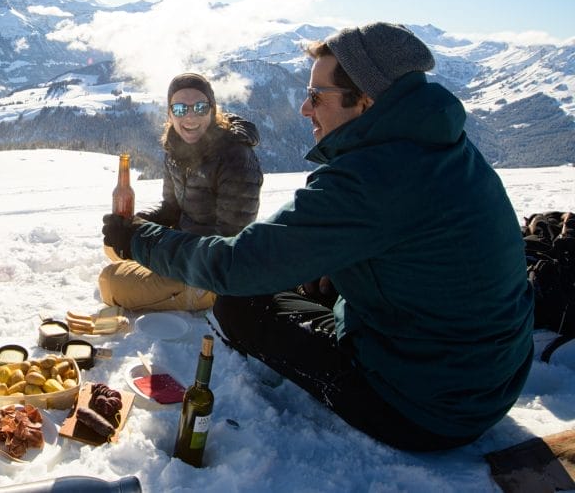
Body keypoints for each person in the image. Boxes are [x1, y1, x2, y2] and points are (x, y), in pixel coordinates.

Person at [103, 23, 534, 451]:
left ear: (364, 102)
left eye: (315, 97)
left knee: (239, 304)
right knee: (301, 277)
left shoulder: (371, 177)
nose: (305, 110)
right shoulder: (439, 146)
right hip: (487, 380)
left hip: (426, 409)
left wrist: (139, 240)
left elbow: (239, 265)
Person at [98, 72, 263, 311]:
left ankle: (200, 296)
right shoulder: (175, 148)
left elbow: (227, 241)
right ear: (170, 113)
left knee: (110, 283)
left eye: (199, 107)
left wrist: (150, 243)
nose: (190, 116)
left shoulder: (235, 156)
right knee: (113, 244)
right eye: (180, 108)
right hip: (183, 246)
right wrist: (135, 224)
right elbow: (171, 210)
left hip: (213, 267)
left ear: (212, 109)